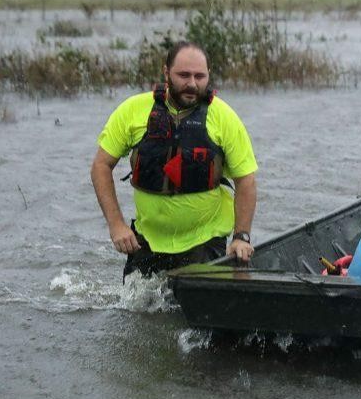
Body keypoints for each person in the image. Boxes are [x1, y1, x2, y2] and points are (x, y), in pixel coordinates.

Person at [90, 41, 258, 278]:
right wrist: (116, 225)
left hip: (205, 240)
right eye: (183, 75)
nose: (192, 83)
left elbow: (246, 179)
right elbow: (101, 166)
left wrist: (241, 237)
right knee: (137, 314)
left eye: (200, 76)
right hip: (146, 241)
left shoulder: (224, 118)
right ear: (166, 72)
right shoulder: (133, 111)